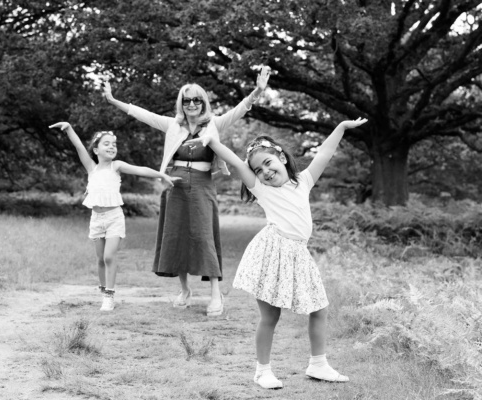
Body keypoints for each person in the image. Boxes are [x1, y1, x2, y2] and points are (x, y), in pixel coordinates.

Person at [185, 117, 367, 388]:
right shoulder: (261, 190)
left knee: (319, 308)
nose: (265, 172)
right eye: (258, 170)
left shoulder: (304, 181)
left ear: (281, 156)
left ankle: (318, 364)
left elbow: (325, 154)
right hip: (272, 251)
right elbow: (236, 162)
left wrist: (340, 127)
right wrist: (212, 142)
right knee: (270, 316)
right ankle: (262, 371)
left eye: (268, 163)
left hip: (298, 253)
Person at [102, 68, 271, 316]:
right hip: (176, 185)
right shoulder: (173, 125)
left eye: (197, 100)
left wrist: (257, 91)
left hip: (203, 185)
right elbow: (142, 114)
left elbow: (240, 109)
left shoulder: (214, 123)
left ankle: (215, 294)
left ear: (204, 103)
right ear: (181, 103)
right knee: (177, 236)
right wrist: (112, 100)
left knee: (205, 236)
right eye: (187, 100)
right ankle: (184, 290)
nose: (192, 104)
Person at [49, 122, 177, 311]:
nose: (111, 147)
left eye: (114, 144)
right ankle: (103, 292)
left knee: (110, 256)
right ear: (96, 149)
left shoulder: (116, 166)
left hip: (114, 218)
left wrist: (162, 175)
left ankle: (110, 295)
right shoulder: (91, 168)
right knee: (100, 259)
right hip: (96, 219)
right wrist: (69, 128)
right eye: (106, 144)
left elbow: (140, 169)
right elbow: (78, 146)